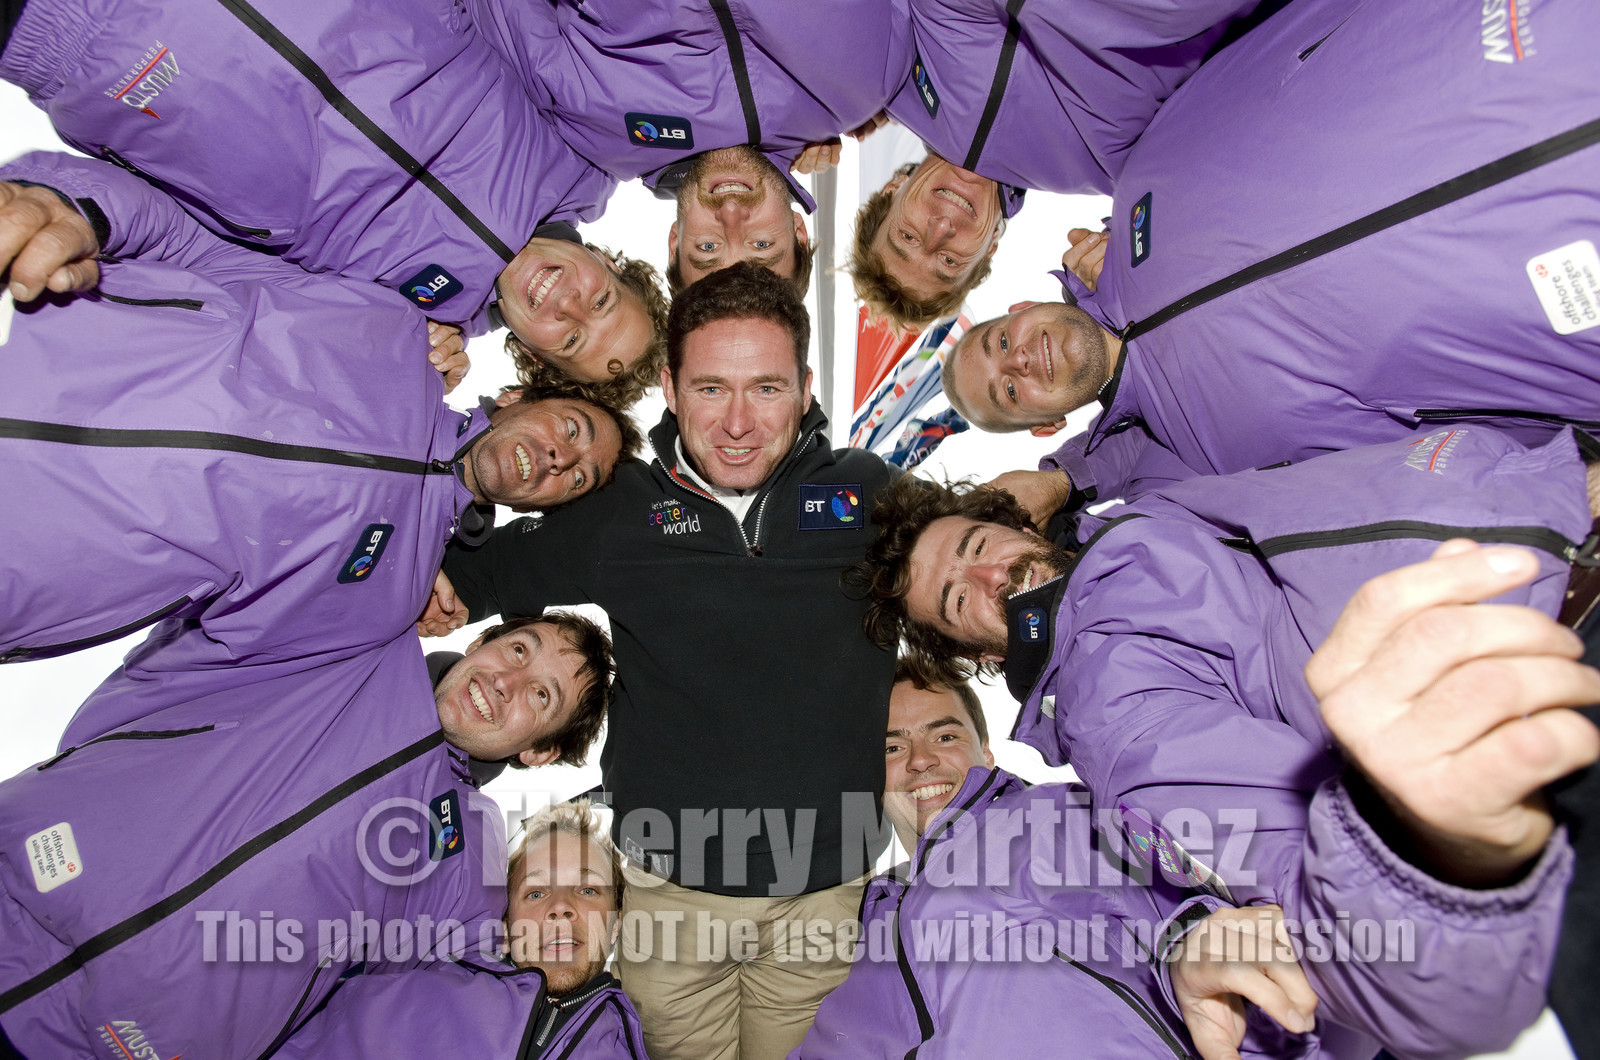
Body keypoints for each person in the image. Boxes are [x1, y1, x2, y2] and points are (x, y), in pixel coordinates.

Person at [848, 426, 1600, 1057]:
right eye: (958, 598)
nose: (988, 574)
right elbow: (1318, 890)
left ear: (1020, 527)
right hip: (1554, 689)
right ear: (980, 654)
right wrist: (1437, 851)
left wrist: (1067, 474)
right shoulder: (1108, 703)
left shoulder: (1141, 517)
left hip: (1569, 498)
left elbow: (1168, 412)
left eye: (977, 542)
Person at [421, 262, 899, 1059]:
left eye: (767, 389)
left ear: (805, 387)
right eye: (712, 389)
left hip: (824, 899)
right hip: (670, 906)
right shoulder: (623, 513)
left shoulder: (865, 491)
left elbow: (981, 563)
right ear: (673, 389)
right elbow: (446, 587)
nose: (738, 422)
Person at [939, 0, 1600, 510]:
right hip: (1570, 304)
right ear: (1044, 421)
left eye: (1000, 342)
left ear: (1020, 306)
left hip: (1538, 44)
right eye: (1008, 390)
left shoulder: (1141, 174)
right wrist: (1063, 483)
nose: (1020, 361)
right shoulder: (1203, 463)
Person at [0, 153, 639, 674]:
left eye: (576, 477)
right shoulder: (392, 321)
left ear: (538, 507)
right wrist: (73, 206)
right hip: (25, 319)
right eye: (573, 428)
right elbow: (191, 239)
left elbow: (199, 671)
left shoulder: (388, 596)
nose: (563, 457)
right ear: (517, 398)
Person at [0, 611, 615, 1060]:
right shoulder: (349, 644)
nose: (506, 682)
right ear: (481, 641)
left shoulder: (466, 856)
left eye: (541, 695)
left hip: (113, 1049)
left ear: (538, 751)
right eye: (516, 651)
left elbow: (470, 1002)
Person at [0, 0, 669, 396]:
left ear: (531, 352)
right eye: (602, 299)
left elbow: (187, 245)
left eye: (571, 337)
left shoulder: (393, 321)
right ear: (612, 264)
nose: (570, 303)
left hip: (75, 42)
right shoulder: (577, 142)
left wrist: (73, 205)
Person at [270, 800, 648, 1059]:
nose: (561, 907)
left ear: (615, 924)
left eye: (587, 889)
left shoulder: (637, 1041)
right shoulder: (403, 997)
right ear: (506, 926)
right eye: (535, 891)